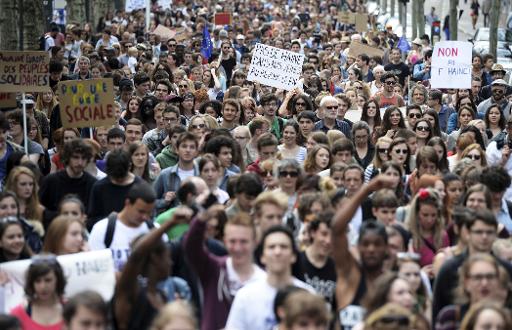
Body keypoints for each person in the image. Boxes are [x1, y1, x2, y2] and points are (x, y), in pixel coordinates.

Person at [184, 209, 265, 330]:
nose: (237, 248)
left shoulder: (264, 280)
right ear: (225, 241)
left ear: (255, 242)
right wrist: (200, 221)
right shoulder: (213, 269)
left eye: (244, 241)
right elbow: (191, 247)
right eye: (232, 241)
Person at [331, 175, 394, 330]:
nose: (371, 249)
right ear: (358, 247)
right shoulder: (349, 274)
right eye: (365, 244)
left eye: (377, 244)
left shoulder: (392, 284)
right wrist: (366, 190)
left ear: (386, 248)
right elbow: (336, 229)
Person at [225, 226, 313, 330]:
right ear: (262, 257)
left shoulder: (308, 294)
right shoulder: (245, 296)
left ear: (293, 255)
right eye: (271, 247)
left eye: (283, 247)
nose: (277, 252)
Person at [111, 205, 181, 330]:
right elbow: (136, 255)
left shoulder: (162, 295)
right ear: (155, 257)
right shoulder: (131, 292)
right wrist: (170, 223)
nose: (170, 262)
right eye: (167, 257)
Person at [88, 181, 166, 271]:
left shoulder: (155, 230)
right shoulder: (101, 229)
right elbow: (95, 269)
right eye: (141, 211)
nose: (145, 217)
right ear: (128, 203)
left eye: (149, 213)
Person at [39, 139, 96, 225]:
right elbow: (39, 208)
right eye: (76, 157)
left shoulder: (92, 183)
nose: (80, 162)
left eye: (83, 158)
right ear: (68, 157)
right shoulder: (51, 181)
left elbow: (95, 214)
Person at [87, 149, 142, 229]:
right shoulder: (99, 187)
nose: (119, 180)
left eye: (122, 176)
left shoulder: (139, 186)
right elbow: (92, 219)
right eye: (115, 176)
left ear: (129, 167)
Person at [10, 256, 66, 329]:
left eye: (48, 280)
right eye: (37, 281)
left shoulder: (72, 309)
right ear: (31, 283)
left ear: (58, 280)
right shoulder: (18, 313)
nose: (43, 286)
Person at [295, 215, 337, 308]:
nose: (328, 241)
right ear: (313, 233)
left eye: (333, 235)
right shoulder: (296, 262)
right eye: (324, 234)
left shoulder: (337, 268)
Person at [153, 132, 199, 213]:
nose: (188, 150)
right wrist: (165, 201)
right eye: (184, 146)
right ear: (177, 149)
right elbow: (151, 202)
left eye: (192, 147)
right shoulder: (165, 174)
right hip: (172, 221)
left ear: (196, 152)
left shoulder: (202, 175)